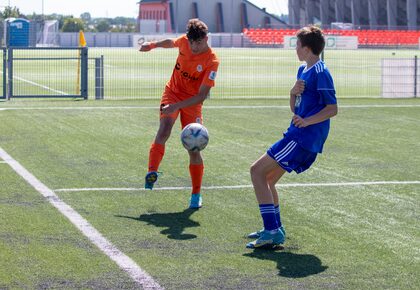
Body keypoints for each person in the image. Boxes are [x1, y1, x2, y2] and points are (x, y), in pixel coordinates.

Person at [246, 25, 338, 249]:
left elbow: (332, 108)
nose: (295, 49)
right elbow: (295, 109)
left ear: (307, 49)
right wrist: (292, 92)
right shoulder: (302, 71)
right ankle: (275, 229)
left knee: (256, 171)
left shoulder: (321, 72)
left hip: (303, 137)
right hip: (297, 133)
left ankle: (271, 230)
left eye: (297, 45)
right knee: (268, 180)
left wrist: (307, 122)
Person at [139, 19, 219, 209]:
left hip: (192, 102)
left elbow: (201, 96)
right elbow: (170, 42)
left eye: (198, 43)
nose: (194, 46)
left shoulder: (212, 61)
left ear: (206, 39)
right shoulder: (184, 41)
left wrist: (176, 107)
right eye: (191, 42)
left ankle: (196, 194)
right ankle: (152, 172)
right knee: (164, 129)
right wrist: (152, 45)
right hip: (172, 93)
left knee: (194, 148)